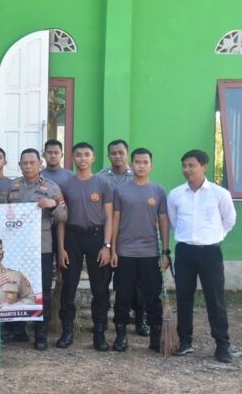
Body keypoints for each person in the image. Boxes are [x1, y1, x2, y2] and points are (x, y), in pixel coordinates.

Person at [167, 149, 236, 363]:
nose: (187, 169)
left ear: (204, 167)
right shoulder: (176, 194)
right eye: (184, 166)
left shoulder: (219, 194)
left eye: (192, 165)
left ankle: (222, 345)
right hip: (185, 252)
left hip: (210, 252)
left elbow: (229, 220)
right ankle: (185, 341)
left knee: (215, 299)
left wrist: (215, 237)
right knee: (183, 297)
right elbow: (174, 222)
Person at [7, 148, 68, 350]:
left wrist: (52, 205)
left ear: (40, 164)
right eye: (24, 163)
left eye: (32, 163)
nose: (28, 166)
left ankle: (41, 332)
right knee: (16, 288)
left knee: (42, 290)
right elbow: (5, 214)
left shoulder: (52, 187)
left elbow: (64, 216)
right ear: (19, 165)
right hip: (17, 247)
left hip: (42, 247)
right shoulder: (13, 186)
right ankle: (19, 329)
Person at [110, 148, 170, 353]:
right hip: (125, 252)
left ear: (151, 165)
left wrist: (166, 252)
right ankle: (121, 335)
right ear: (131, 165)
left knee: (152, 296)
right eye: (137, 162)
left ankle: (156, 336)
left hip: (150, 253)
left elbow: (164, 222)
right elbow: (115, 220)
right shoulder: (120, 190)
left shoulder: (158, 191)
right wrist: (113, 249)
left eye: (145, 162)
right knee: (123, 295)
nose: (141, 166)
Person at [56, 142, 114, 352]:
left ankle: (99, 332)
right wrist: (61, 248)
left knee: (100, 288)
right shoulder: (65, 185)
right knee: (68, 286)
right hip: (72, 237)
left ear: (93, 158)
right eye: (78, 155)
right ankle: (67, 330)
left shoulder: (103, 183)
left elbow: (109, 217)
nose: (82, 158)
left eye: (86, 155)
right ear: (72, 158)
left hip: (96, 238)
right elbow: (61, 219)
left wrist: (107, 246)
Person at [98, 139, 146, 336]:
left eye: (121, 152)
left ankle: (140, 320)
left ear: (127, 154)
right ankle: (102, 321)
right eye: (113, 153)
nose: (117, 156)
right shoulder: (100, 177)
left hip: (129, 236)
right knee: (102, 280)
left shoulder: (137, 175)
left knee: (135, 283)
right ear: (108, 155)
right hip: (104, 235)